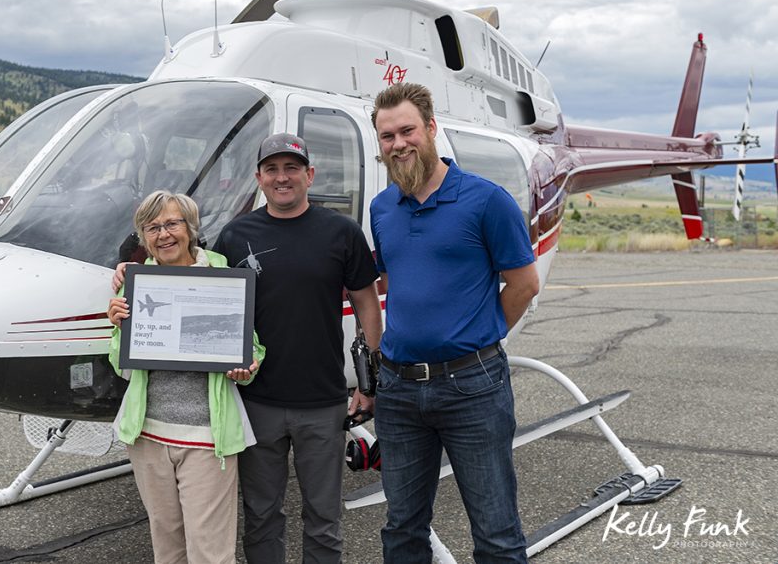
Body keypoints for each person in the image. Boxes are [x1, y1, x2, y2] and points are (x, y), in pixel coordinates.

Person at [369, 83, 540, 564]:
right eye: (387, 136)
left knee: (495, 531)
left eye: (407, 131)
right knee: (402, 528)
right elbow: (394, 278)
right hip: (399, 390)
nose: (398, 143)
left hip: (473, 386)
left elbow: (524, 284)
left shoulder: (486, 201)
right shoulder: (382, 208)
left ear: (430, 128)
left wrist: (477, 340)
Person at [213, 133, 383, 564]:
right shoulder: (235, 236)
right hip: (255, 401)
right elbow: (199, 287)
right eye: (272, 169)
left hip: (322, 403)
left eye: (292, 168)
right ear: (259, 178)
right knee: (261, 515)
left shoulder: (341, 232)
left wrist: (370, 379)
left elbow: (366, 299)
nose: (282, 177)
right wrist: (128, 272)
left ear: (310, 175)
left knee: (323, 518)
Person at [107, 190, 265, 564]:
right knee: (167, 545)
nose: (163, 234)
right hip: (147, 435)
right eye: (152, 227)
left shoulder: (222, 276)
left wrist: (247, 367)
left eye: (172, 224)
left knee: (209, 550)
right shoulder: (135, 282)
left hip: (206, 437)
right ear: (143, 237)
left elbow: (253, 348)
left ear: (190, 228)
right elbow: (122, 366)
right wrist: (116, 329)